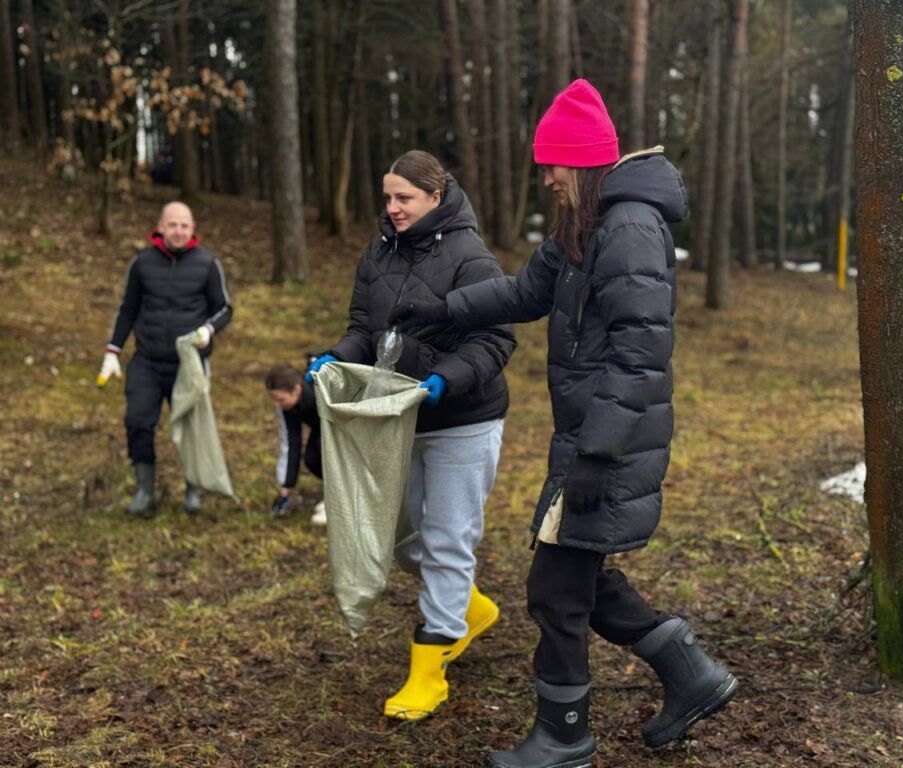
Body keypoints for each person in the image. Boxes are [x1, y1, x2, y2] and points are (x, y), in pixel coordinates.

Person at [390, 80, 736, 767]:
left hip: (608, 440)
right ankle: (692, 674)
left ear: (580, 163)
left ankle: (565, 739)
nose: (545, 178)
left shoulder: (629, 229)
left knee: (555, 589)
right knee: (579, 575)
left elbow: (639, 356)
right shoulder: (588, 225)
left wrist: (598, 454)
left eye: (552, 165)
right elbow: (524, 291)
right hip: (589, 436)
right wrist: (445, 310)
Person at [307, 150, 516, 721]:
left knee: (448, 540)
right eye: (388, 197)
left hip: (463, 423)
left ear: (435, 196)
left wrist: (444, 380)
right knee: (399, 537)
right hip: (397, 422)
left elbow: (495, 340)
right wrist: (334, 359)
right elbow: (363, 329)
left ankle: (429, 672)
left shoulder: (472, 258)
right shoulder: (377, 252)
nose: (393, 208)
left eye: (404, 198)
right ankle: (469, 607)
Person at [97, 201, 232, 518]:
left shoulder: (208, 263)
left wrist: (208, 331)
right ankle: (145, 490)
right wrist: (112, 351)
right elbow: (127, 309)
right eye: (173, 225)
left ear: (193, 228)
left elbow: (225, 308)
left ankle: (193, 487)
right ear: (160, 227)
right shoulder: (142, 263)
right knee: (138, 422)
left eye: (184, 225)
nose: (179, 231)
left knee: (190, 426)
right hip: (147, 360)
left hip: (189, 364)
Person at [265, 363, 326, 524]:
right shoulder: (287, 408)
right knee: (312, 459)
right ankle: (333, 494)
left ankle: (340, 501)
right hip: (321, 425)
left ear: (296, 390)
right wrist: (286, 487)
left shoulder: (319, 391)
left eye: (280, 399)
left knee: (326, 452)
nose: (277, 404)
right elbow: (292, 442)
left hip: (342, 424)